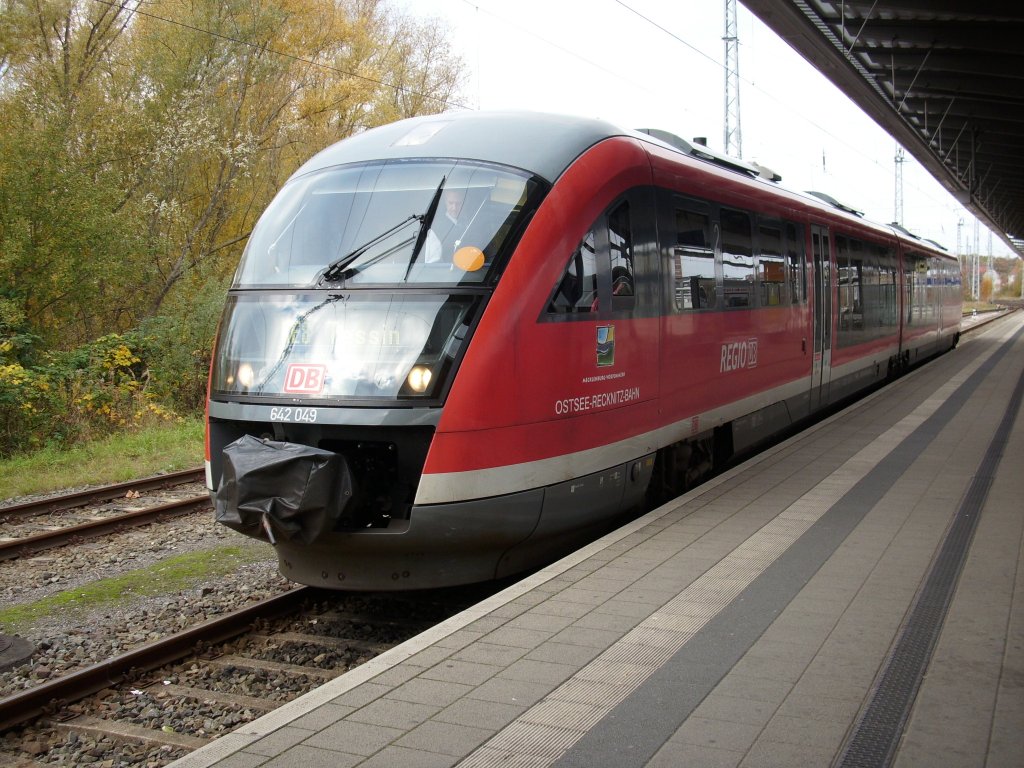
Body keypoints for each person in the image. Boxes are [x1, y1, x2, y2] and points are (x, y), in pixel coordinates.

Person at [425, 189, 466, 263]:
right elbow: (432, 263)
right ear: (445, 202)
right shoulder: (435, 228)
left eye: (458, 203)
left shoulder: (471, 221)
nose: (454, 208)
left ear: (463, 202)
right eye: (451, 203)